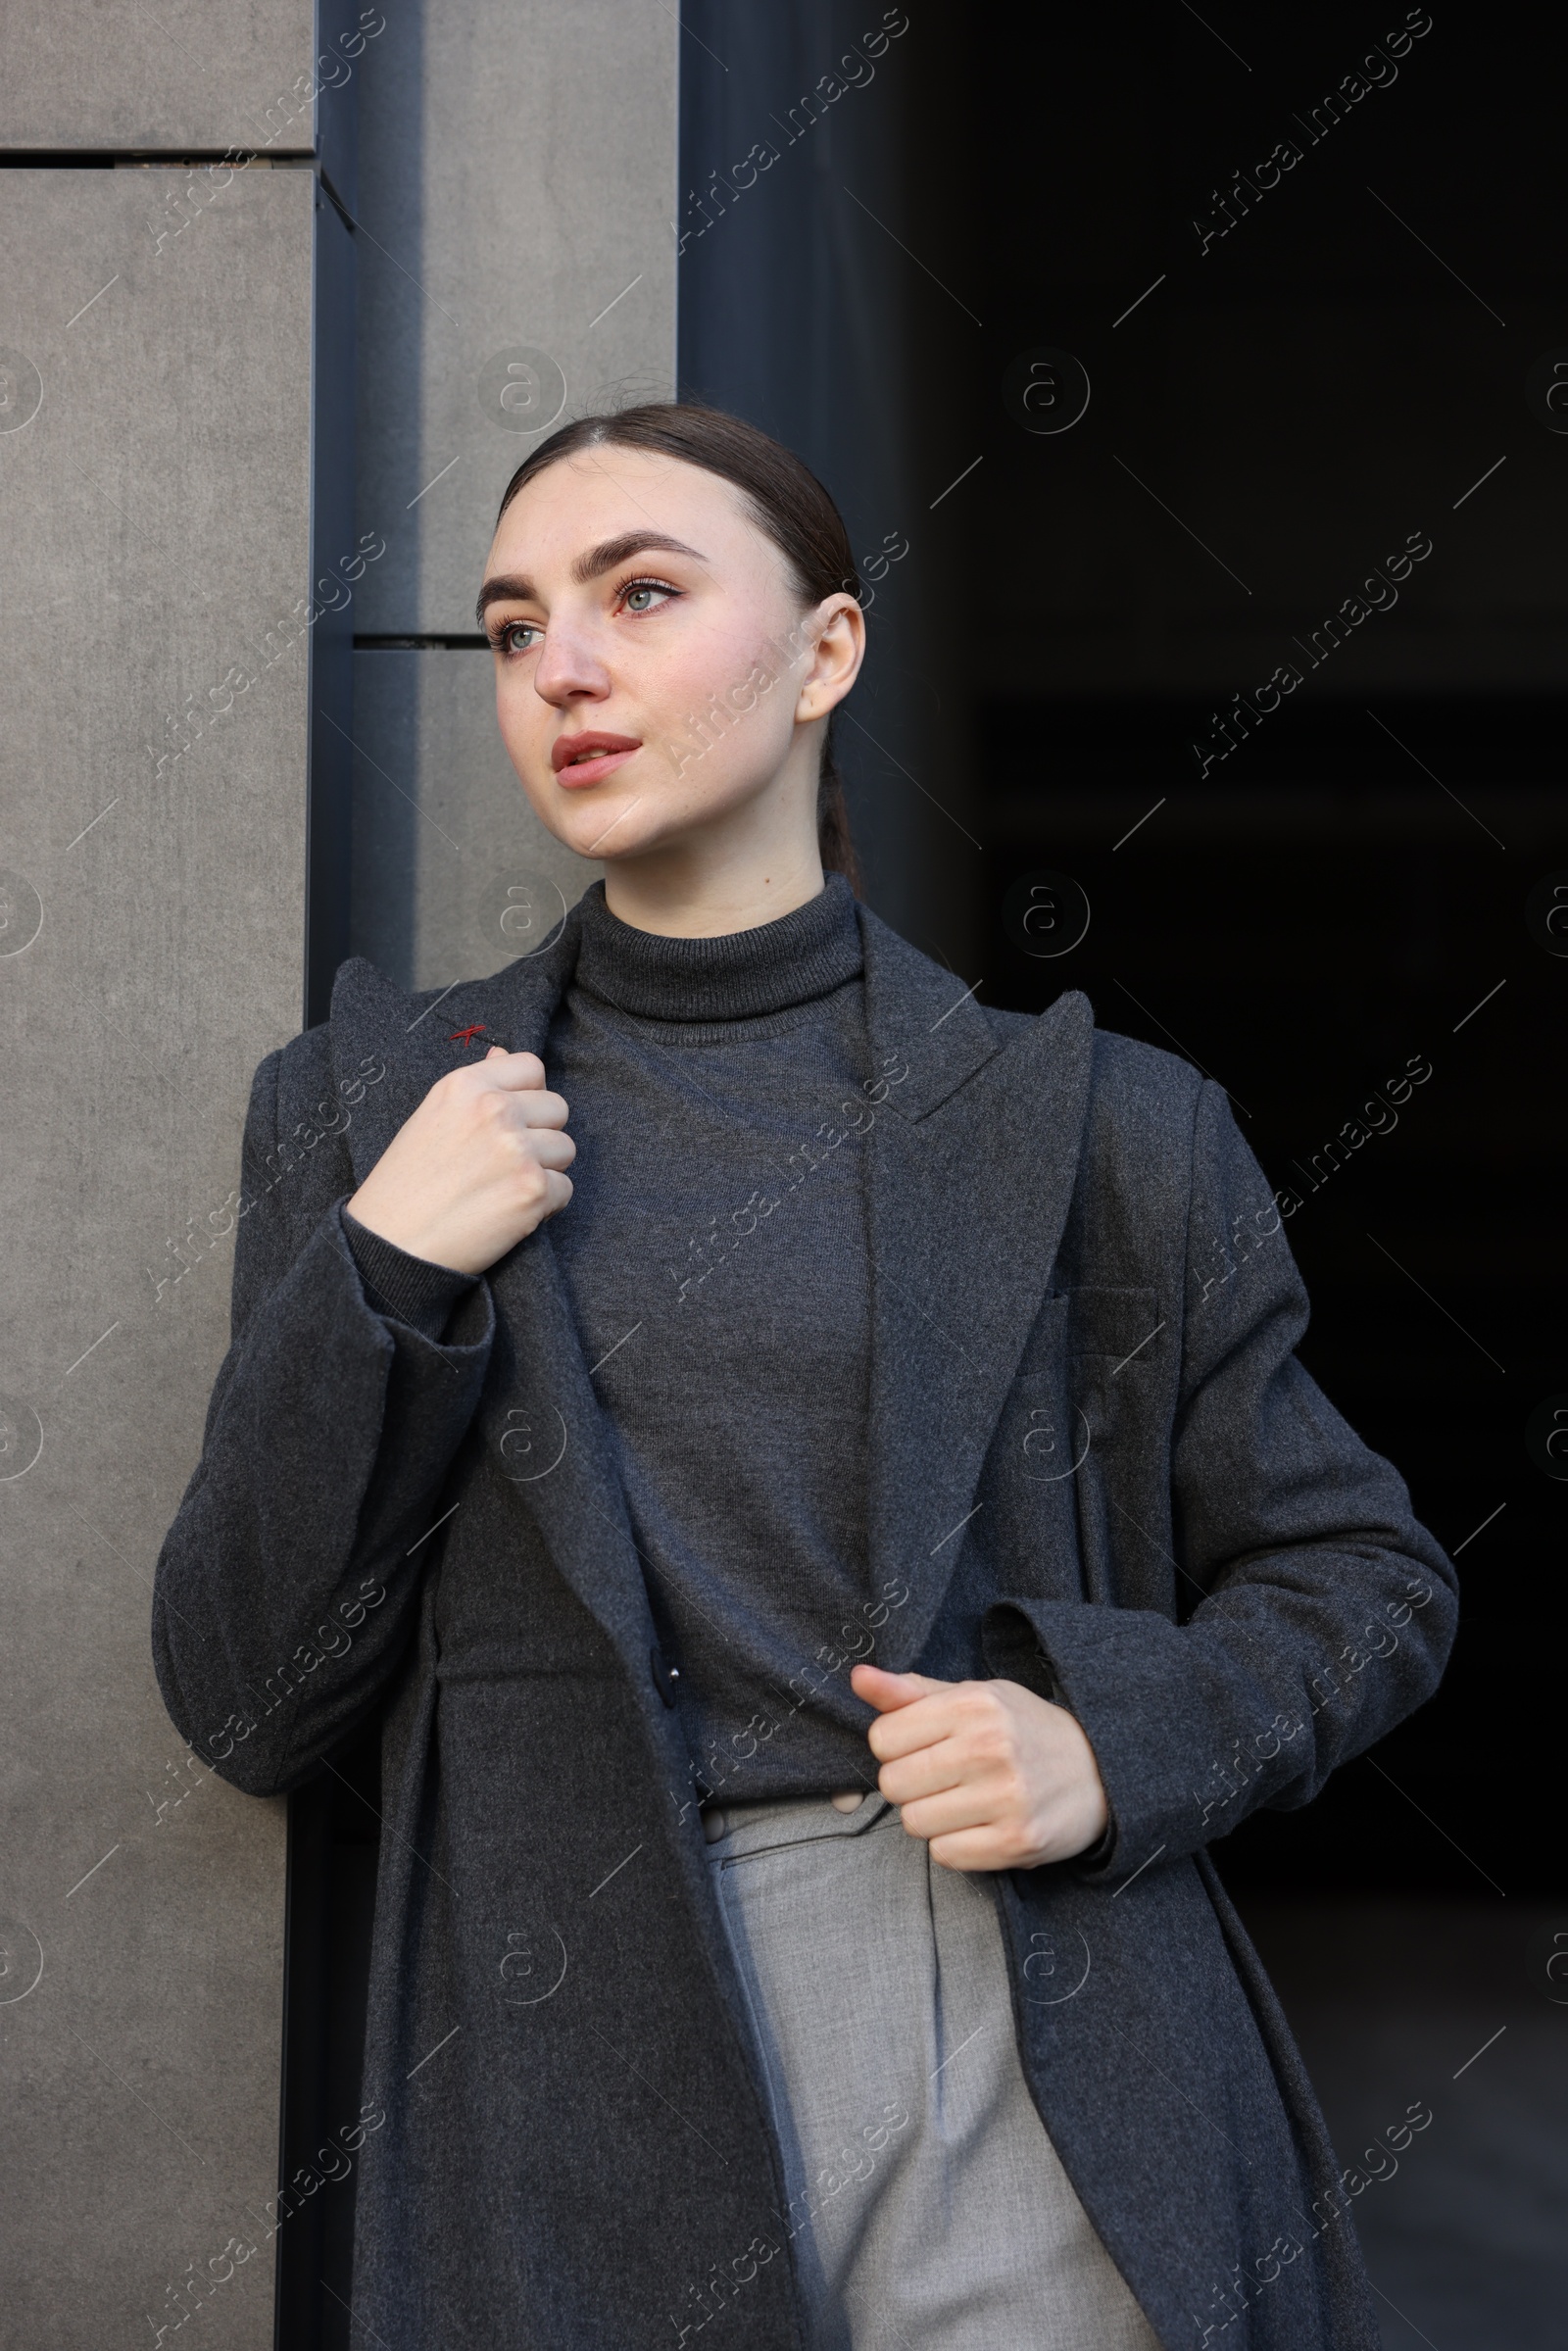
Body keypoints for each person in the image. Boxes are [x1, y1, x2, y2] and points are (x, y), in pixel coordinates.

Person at [152, 403, 1457, 2350]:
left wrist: (1109, 1735)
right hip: (564, 2047)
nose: (563, 669)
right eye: (513, 629)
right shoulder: (370, 1117)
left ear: (825, 653)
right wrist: (384, 1275)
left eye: (640, 595)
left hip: (1020, 2026)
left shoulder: (1102, 1129)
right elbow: (249, 1692)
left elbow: (1363, 1581)